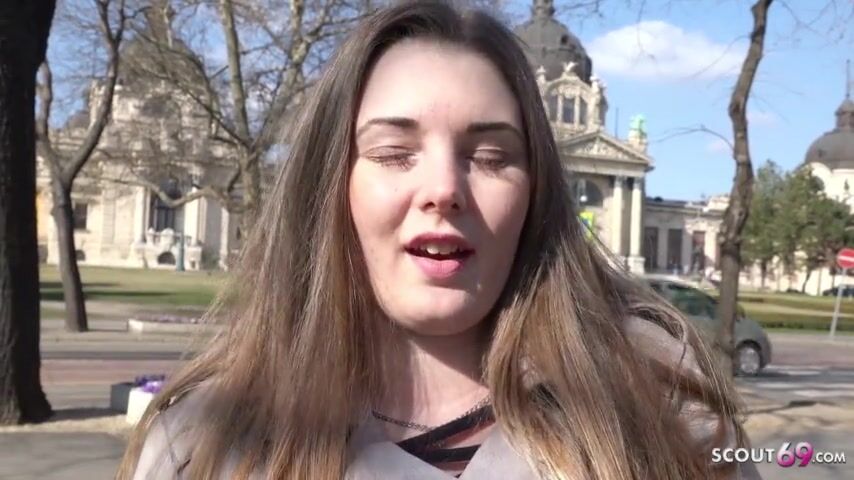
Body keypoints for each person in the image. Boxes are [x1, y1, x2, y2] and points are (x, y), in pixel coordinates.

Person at [117, 2, 762, 479]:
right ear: (329, 184)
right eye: (394, 152)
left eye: (490, 156)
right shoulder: (201, 444)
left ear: (538, 191)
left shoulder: (661, 408)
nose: (443, 189)